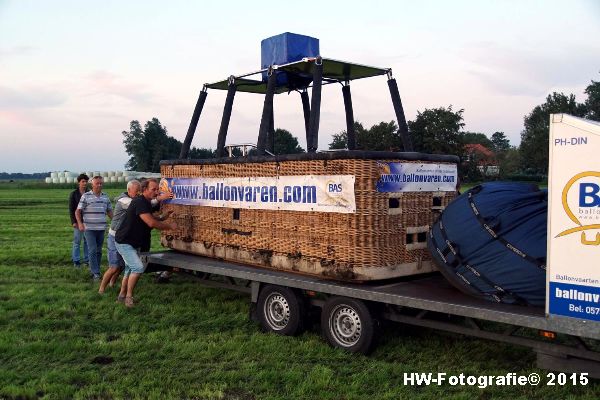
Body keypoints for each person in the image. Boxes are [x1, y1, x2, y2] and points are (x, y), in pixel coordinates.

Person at [115, 178, 177, 307]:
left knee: (129, 269)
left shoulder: (146, 202)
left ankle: (121, 295)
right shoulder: (140, 202)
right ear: (144, 190)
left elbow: (151, 217)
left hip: (133, 242)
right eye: (153, 189)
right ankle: (128, 298)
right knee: (137, 267)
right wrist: (169, 226)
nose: (156, 192)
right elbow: (151, 222)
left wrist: (163, 216)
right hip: (125, 242)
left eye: (157, 189)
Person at [98, 179, 141, 294]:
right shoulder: (124, 201)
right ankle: (101, 289)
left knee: (122, 266)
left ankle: (112, 284)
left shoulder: (132, 199)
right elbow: (139, 206)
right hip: (114, 237)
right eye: (137, 191)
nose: (138, 193)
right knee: (114, 266)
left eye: (140, 191)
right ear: (129, 190)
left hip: (124, 238)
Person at [75, 176, 113, 280]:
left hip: (101, 228)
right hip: (89, 228)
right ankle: (95, 273)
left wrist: (115, 222)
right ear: (92, 184)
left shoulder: (105, 197)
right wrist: (80, 223)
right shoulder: (86, 196)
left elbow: (109, 211)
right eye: (97, 183)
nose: (99, 185)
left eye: (101, 183)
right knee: (92, 250)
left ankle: (96, 269)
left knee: (99, 251)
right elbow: (78, 211)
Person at [69, 173, 89, 267]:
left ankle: (87, 260)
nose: (84, 183)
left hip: (88, 221)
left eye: (86, 181)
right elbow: (71, 209)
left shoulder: (90, 193)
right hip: (78, 221)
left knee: (87, 241)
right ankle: (76, 260)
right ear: (79, 183)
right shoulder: (73, 194)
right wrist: (73, 222)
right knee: (77, 241)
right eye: (83, 181)